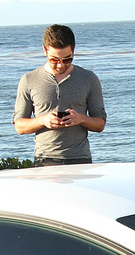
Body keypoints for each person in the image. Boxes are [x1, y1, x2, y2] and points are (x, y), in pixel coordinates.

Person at [13, 24, 106, 166]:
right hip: (44, 160)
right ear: (45, 50)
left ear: (74, 51)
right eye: (54, 60)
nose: (60, 65)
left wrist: (80, 119)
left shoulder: (88, 78)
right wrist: (43, 120)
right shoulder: (29, 79)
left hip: (80, 160)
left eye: (67, 59)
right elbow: (19, 126)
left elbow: (100, 124)